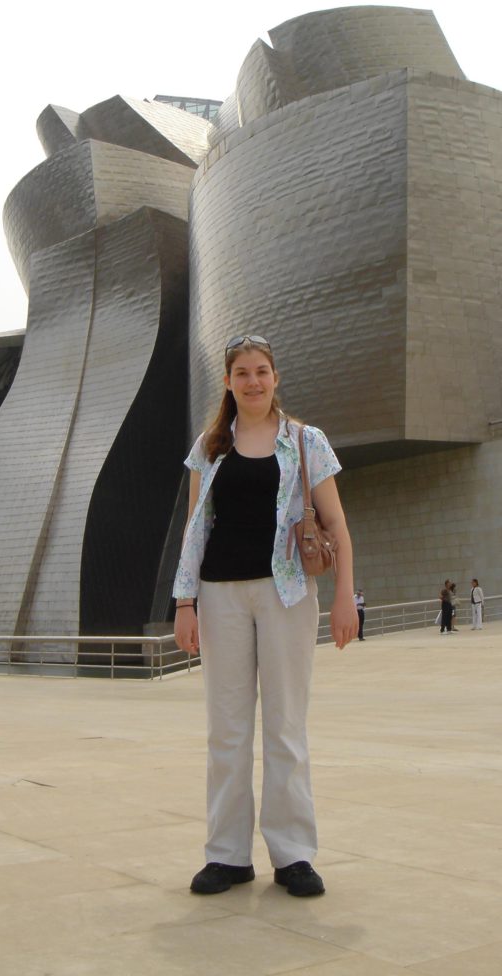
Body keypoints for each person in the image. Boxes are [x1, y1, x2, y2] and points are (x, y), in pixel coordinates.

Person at [173, 334, 358, 899]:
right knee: (225, 730)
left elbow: (337, 525)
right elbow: (194, 530)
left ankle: (293, 853)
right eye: (242, 373)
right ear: (228, 382)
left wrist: (345, 595)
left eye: (262, 371)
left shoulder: (306, 441)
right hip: (221, 595)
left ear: (276, 377)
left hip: (287, 595)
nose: (253, 381)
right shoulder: (210, 446)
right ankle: (227, 856)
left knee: (285, 725)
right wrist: (184, 603)